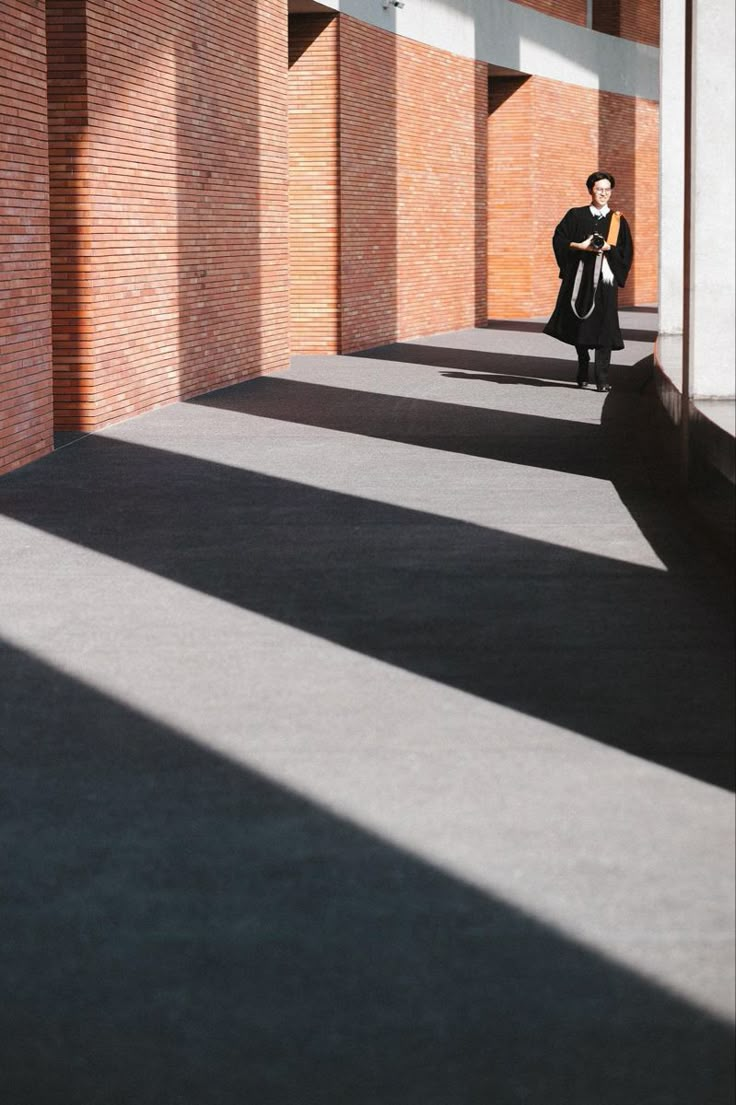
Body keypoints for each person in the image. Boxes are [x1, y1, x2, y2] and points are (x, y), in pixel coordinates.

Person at [543, 172, 633, 391]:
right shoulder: (576, 215)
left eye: (607, 189)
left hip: (605, 281)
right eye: (599, 189)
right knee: (580, 324)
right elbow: (559, 239)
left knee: (605, 326)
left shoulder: (617, 220)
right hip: (580, 279)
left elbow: (626, 250)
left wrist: (608, 247)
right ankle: (582, 368)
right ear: (591, 190)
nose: (603, 193)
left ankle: (602, 378)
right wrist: (580, 246)